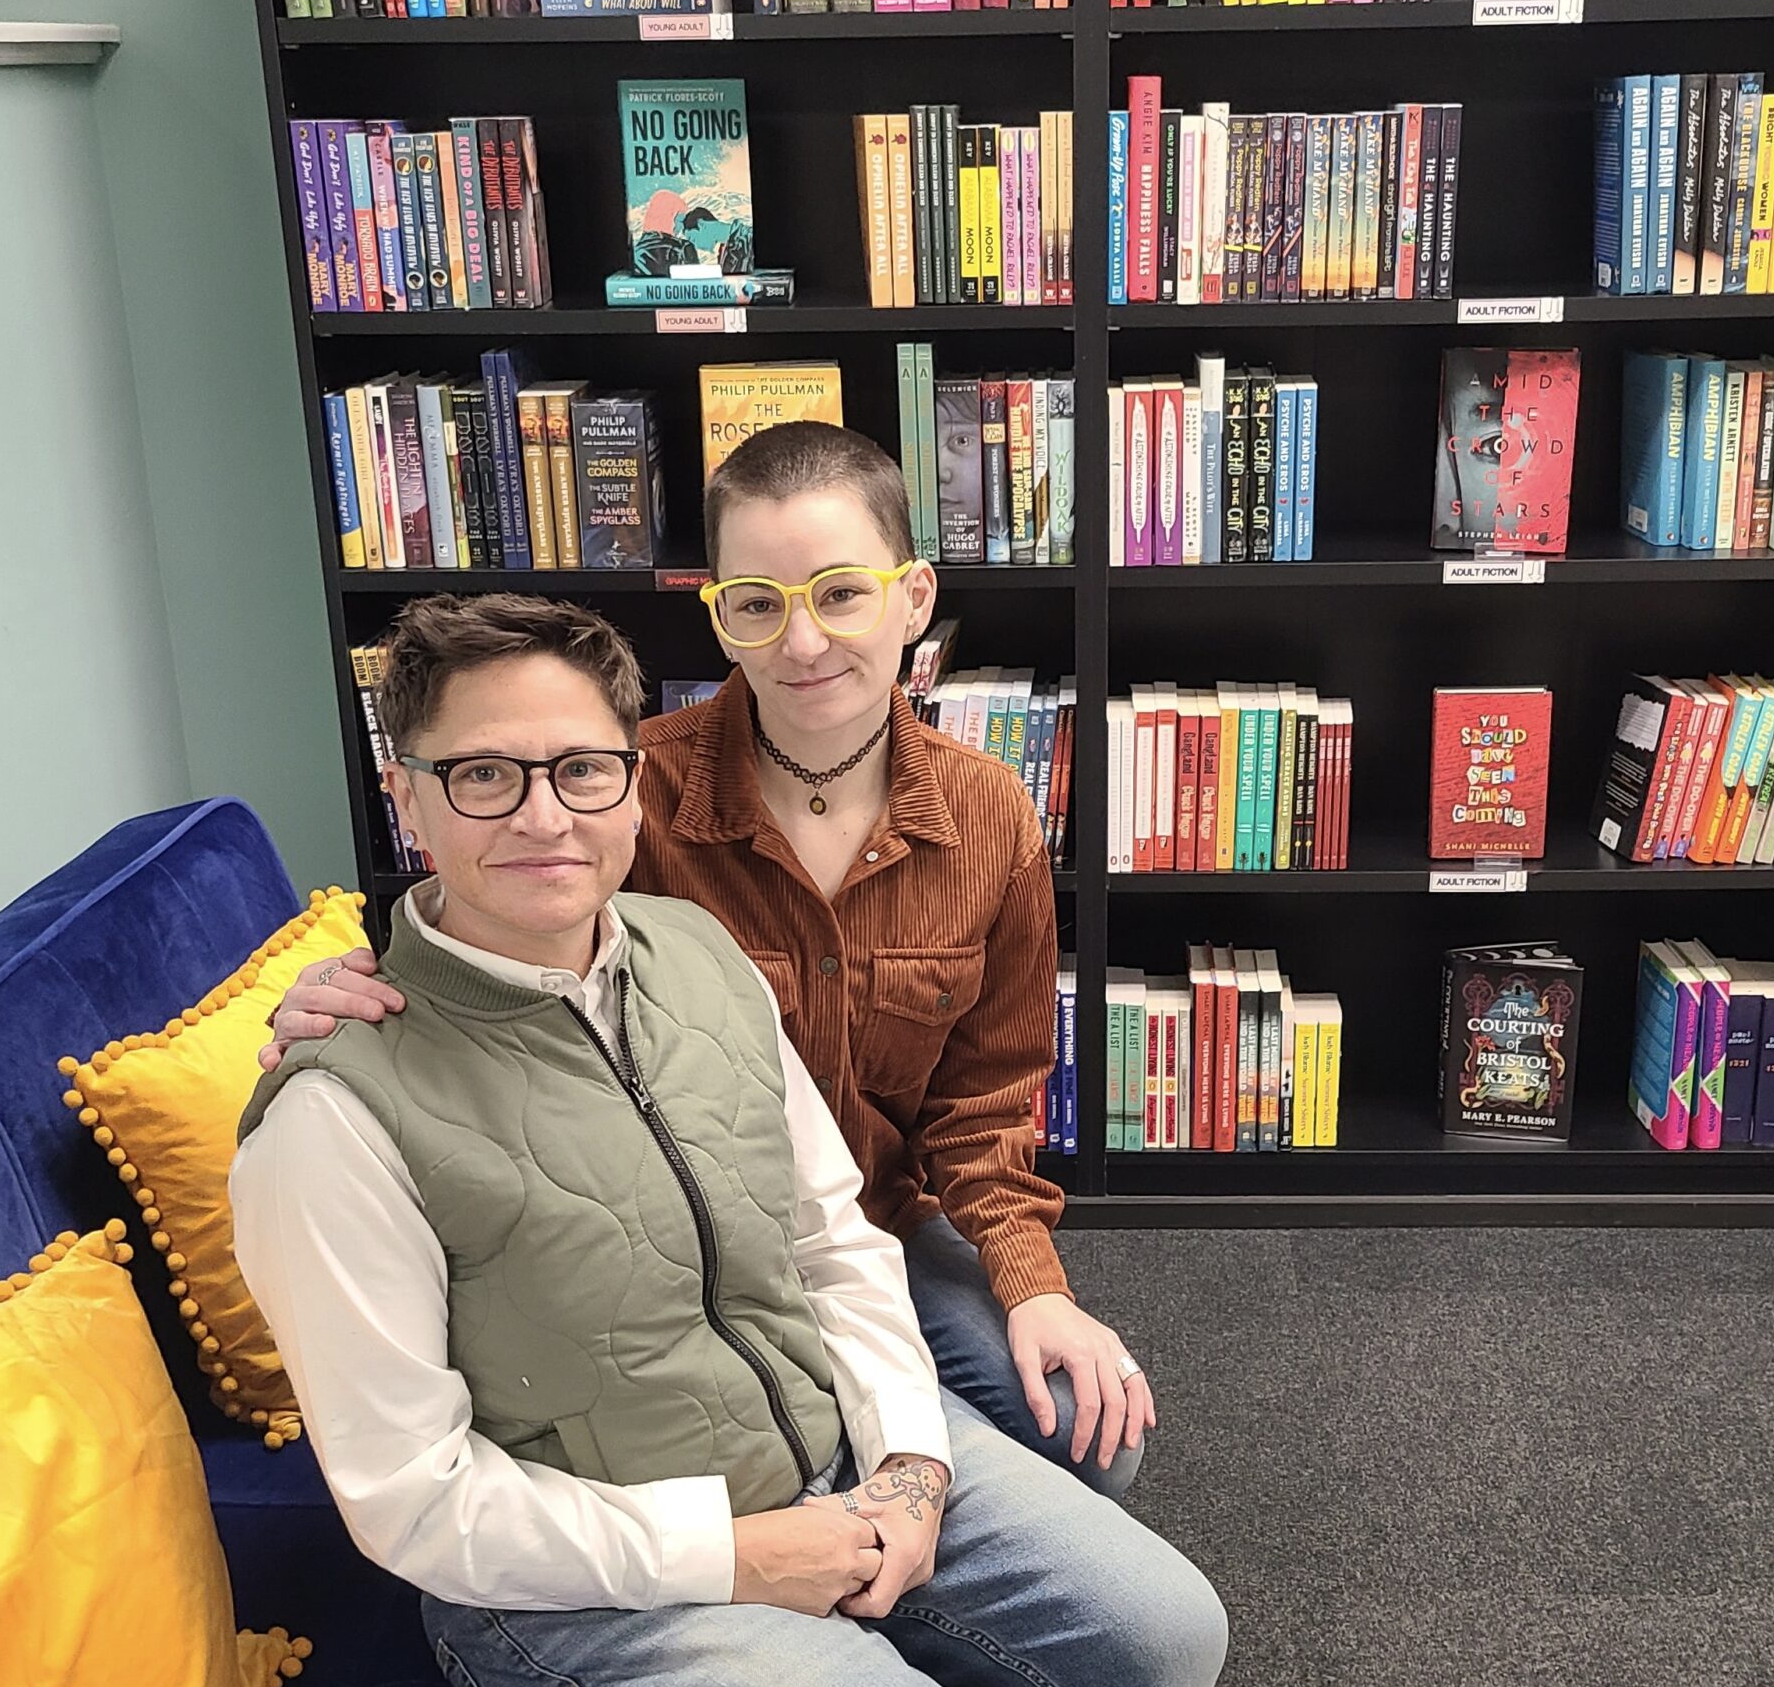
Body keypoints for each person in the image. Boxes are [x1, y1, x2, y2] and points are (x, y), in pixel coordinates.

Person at [229, 600, 1227, 1687]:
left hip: (831, 1451)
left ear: (635, 784)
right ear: (407, 796)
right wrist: (740, 1557)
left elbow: (834, 1240)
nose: (542, 814)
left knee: (1165, 1634)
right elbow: (413, 1504)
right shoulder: (335, 1111)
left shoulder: (689, 956)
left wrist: (907, 1465)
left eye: (580, 768)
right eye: (482, 775)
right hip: (582, 1593)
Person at [266, 423, 1154, 1496]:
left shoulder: (989, 812)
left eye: (841, 594)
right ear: (717, 614)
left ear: (913, 599)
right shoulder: (615, 791)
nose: (803, 642)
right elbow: (499, 930)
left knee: (1088, 1435)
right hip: (681, 1253)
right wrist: (358, 985)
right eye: (757, 604)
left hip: (881, 1226)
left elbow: (986, 1099)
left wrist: (1032, 1282)